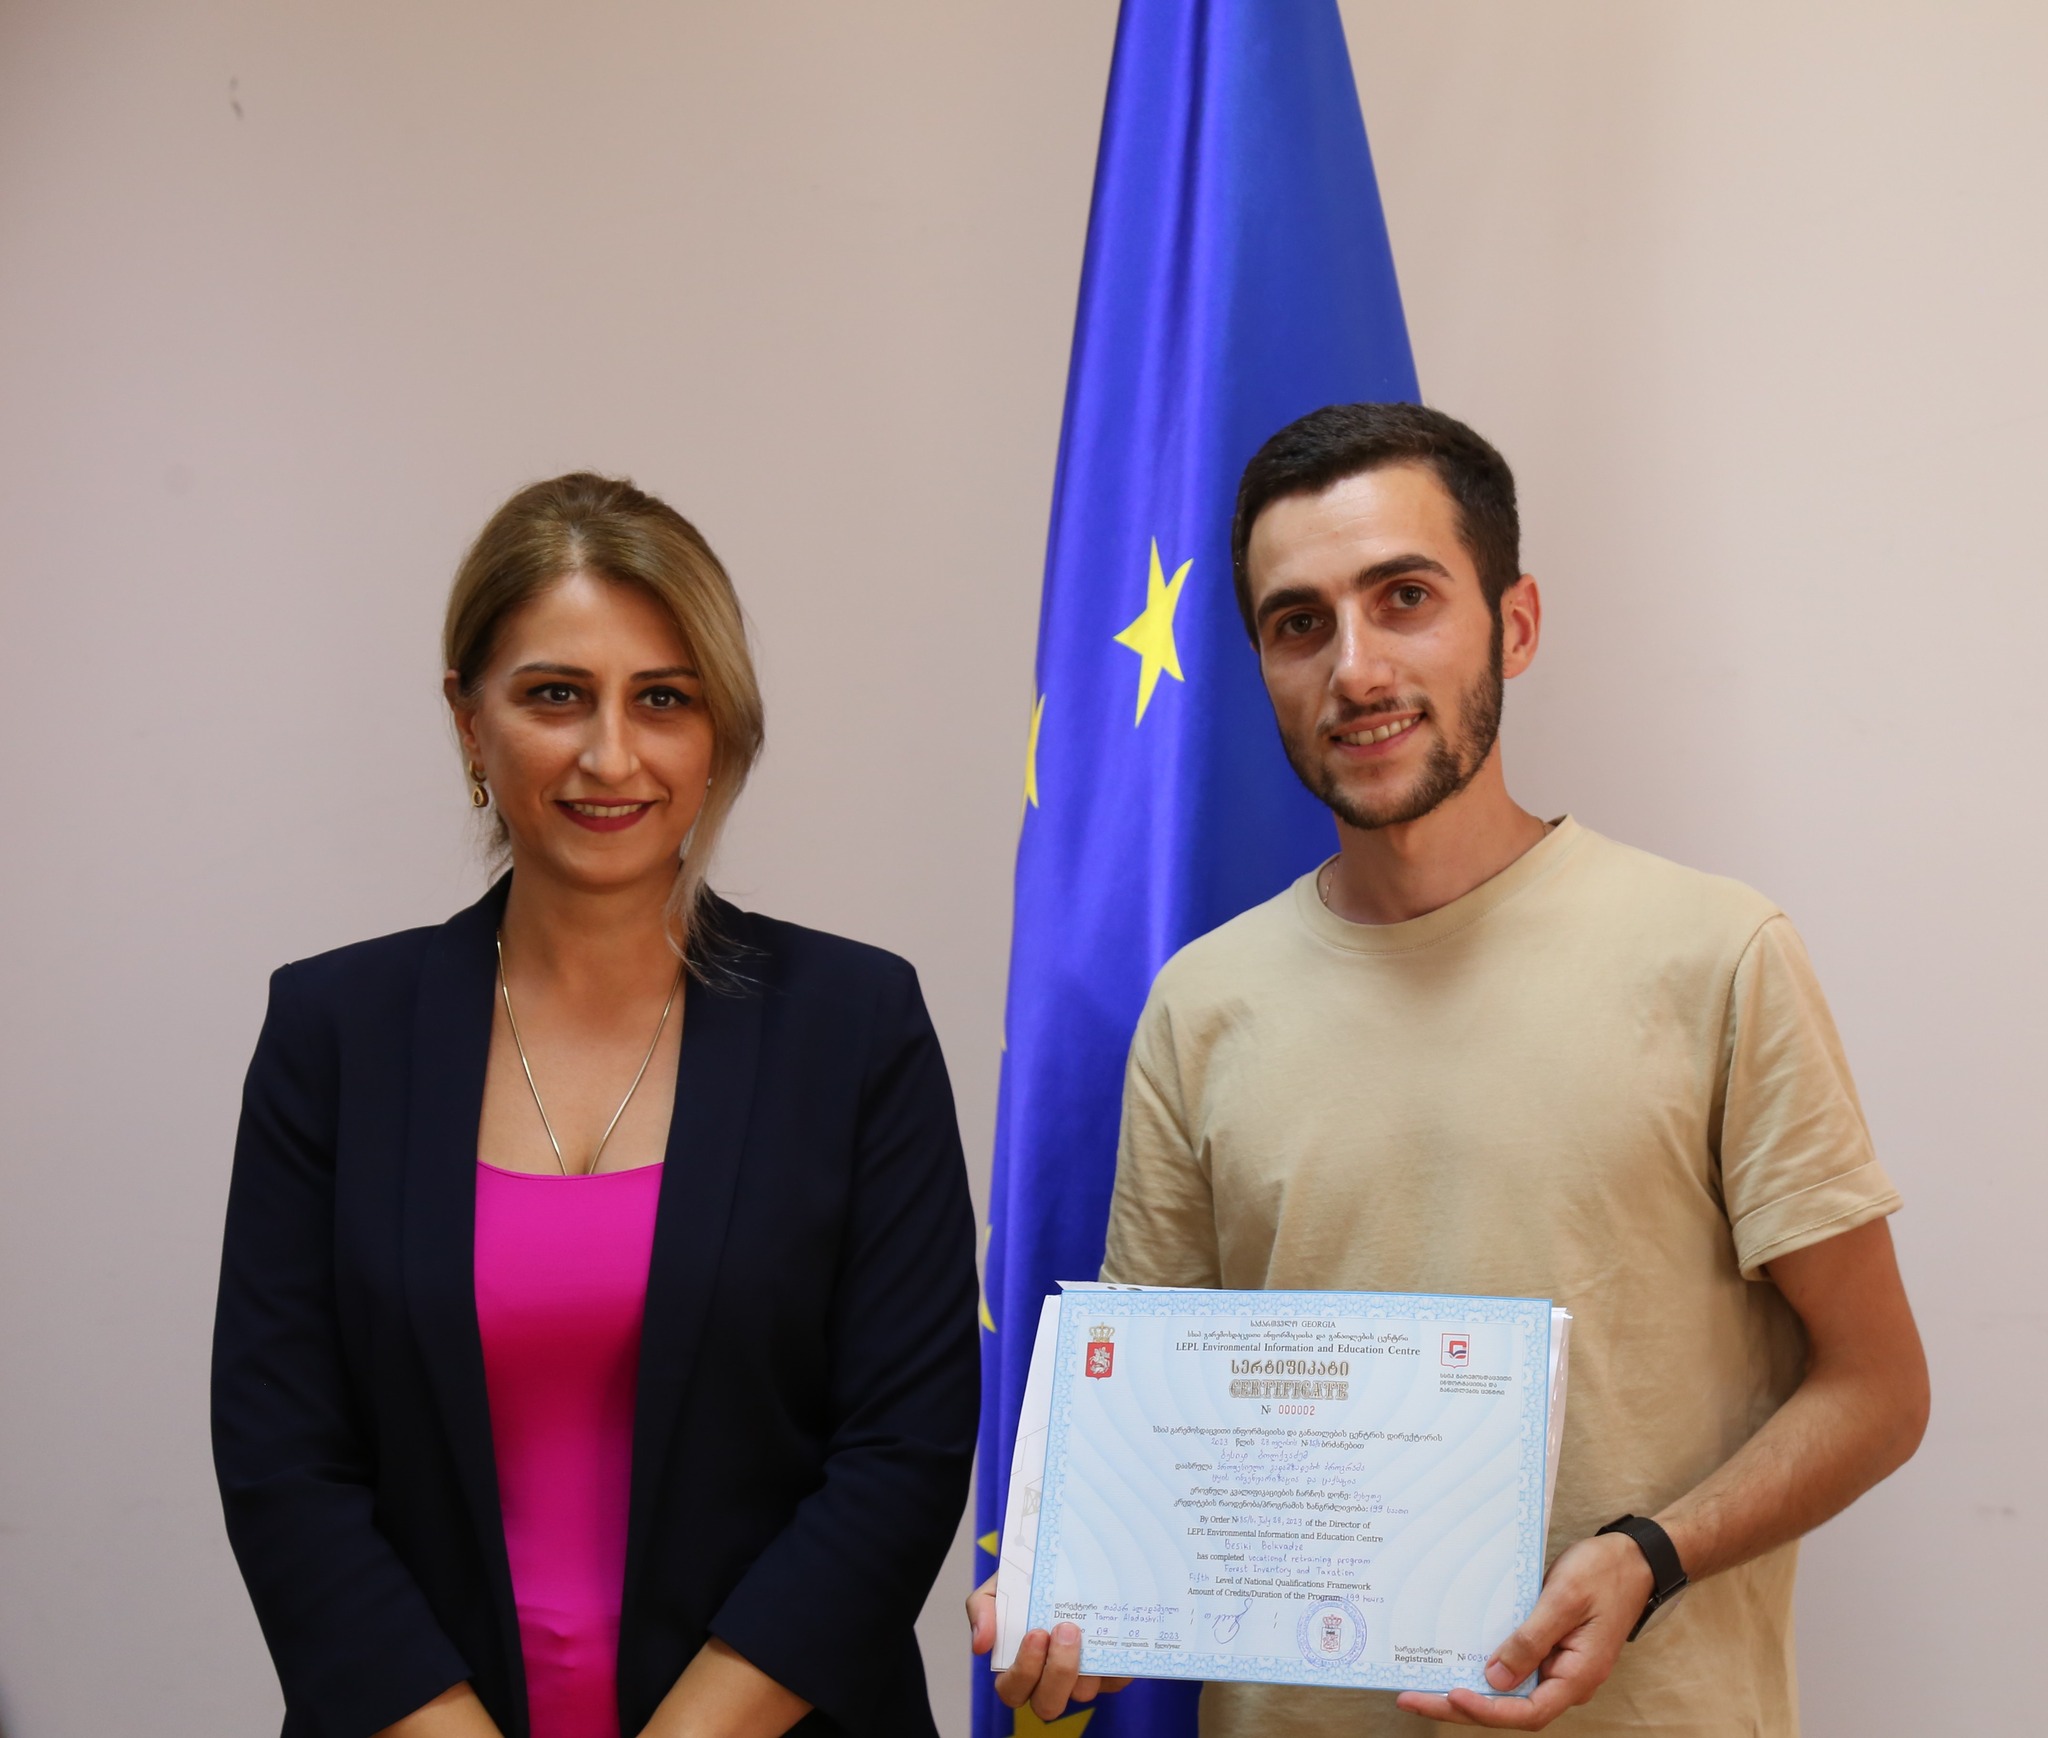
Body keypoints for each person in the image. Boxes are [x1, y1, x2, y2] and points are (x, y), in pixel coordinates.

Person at [969, 403, 1928, 1735]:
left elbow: (1878, 1388)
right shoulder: (1201, 1006)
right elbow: (1158, 1453)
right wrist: (1086, 1594)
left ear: (1513, 624)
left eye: (1404, 598)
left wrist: (1649, 1555)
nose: (1355, 668)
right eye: (1298, 623)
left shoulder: (1717, 954)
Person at [213, 473, 979, 1738]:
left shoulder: (855, 1026)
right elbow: (284, 1464)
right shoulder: (332, 1033)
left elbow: (903, 1450)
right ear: (469, 722)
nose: (609, 754)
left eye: (662, 698)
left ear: (720, 731)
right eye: (554, 694)